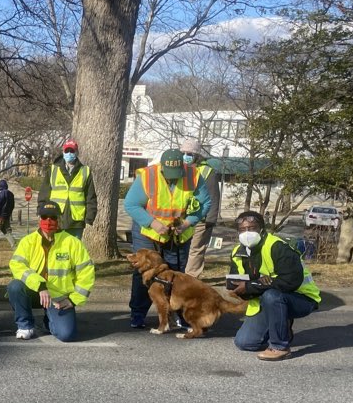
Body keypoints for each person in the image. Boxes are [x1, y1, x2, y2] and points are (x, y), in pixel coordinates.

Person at [124, 148, 211, 329]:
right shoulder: (148, 176)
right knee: (143, 273)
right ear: (162, 167)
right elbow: (131, 204)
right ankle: (138, 314)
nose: (173, 178)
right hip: (148, 232)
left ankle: (178, 315)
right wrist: (152, 223)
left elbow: (204, 203)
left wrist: (188, 223)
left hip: (178, 233)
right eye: (169, 173)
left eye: (177, 173)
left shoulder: (193, 176)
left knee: (175, 276)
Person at [227, 211, 320, 361]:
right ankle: (282, 327)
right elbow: (237, 283)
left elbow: (291, 281)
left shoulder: (277, 246)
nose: (247, 233)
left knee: (272, 295)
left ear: (261, 229)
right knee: (244, 343)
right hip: (266, 301)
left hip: (301, 298)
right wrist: (242, 289)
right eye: (242, 230)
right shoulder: (237, 252)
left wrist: (252, 286)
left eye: (252, 228)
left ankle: (280, 347)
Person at [6, 201, 96, 342]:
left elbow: (86, 273)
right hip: (34, 292)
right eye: (44, 217)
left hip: (59, 298)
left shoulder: (72, 243)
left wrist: (73, 300)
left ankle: (48, 322)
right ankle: (25, 325)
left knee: (67, 335)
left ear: (59, 219)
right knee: (15, 287)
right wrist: (40, 285)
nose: (48, 221)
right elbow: (17, 265)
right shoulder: (28, 241)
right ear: (39, 219)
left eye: (53, 217)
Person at [38, 138, 96, 239]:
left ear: (77, 152)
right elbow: (44, 194)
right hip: (56, 219)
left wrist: (89, 217)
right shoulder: (53, 170)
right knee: (56, 247)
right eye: (67, 151)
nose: (69, 153)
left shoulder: (85, 171)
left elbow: (91, 197)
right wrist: (41, 212)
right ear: (63, 152)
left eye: (72, 151)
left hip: (76, 222)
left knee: (74, 248)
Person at [181, 139, 221, 278]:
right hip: (182, 217)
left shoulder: (207, 171)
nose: (185, 156)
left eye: (189, 154)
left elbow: (213, 195)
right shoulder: (179, 169)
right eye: (183, 153)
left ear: (197, 155)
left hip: (201, 218)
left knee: (196, 249)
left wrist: (210, 219)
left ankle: (190, 278)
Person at [0, 179, 16, 250]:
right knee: (8, 232)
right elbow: (12, 206)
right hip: (6, 217)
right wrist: (8, 215)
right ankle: (14, 246)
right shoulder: (11, 194)